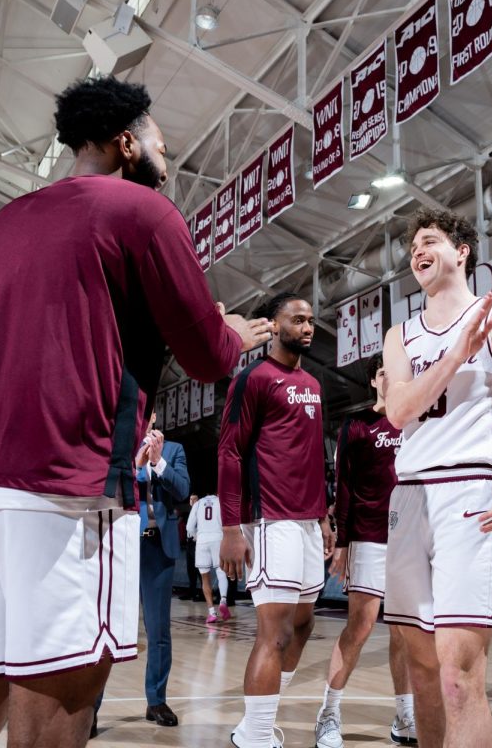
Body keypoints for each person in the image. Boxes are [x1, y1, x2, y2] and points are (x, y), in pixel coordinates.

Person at [0, 75, 268, 748]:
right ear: (127, 141)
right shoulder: (143, 212)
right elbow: (206, 357)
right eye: (162, 141)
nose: (169, 155)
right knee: (54, 722)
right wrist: (233, 337)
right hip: (65, 494)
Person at [382, 208, 492, 748]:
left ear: (462, 251)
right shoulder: (400, 336)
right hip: (409, 499)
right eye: (411, 249)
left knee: (459, 674)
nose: (417, 254)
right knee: (422, 670)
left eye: (428, 241)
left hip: (469, 493)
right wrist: (456, 354)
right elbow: (399, 411)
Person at [219, 292, 334, 748]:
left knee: (303, 625)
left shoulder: (315, 383)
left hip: (308, 521)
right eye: (298, 319)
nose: (307, 327)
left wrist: (324, 517)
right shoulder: (253, 378)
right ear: (273, 324)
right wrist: (230, 528)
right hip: (271, 521)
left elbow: (311, 459)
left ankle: (254, 726)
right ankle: (259, 736)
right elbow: (229, 451)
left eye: (311, 321)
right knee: (276, 632)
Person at [315, 353, 415, 747]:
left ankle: (404, 716)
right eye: (387, 371)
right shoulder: (357, 424)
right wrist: (342, 541)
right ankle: (329, 712)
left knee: (407, 632)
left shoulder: (418, 421)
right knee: (361, 626)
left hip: (411, 539)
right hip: (369, 537)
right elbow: (343, 485)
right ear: (375, 380)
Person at [135, 428, 191, 727]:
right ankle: (91, 707)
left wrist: (158, 463)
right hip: (127, 542)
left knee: (159, 631)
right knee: (109, 627)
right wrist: (135, 466)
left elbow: (183, 490)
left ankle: (156, 700)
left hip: (158, 543)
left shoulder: (174, 450)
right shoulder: (121, 446)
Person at [186, 492, 230, 622]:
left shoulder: (198, 503)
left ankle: (211, 612)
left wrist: (196, 536)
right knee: (221, 572)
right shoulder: (221, 501)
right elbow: (226, 523)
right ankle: (223, 600)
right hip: (218, 538)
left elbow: (189, 526)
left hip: (202, 540)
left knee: (205, 578)